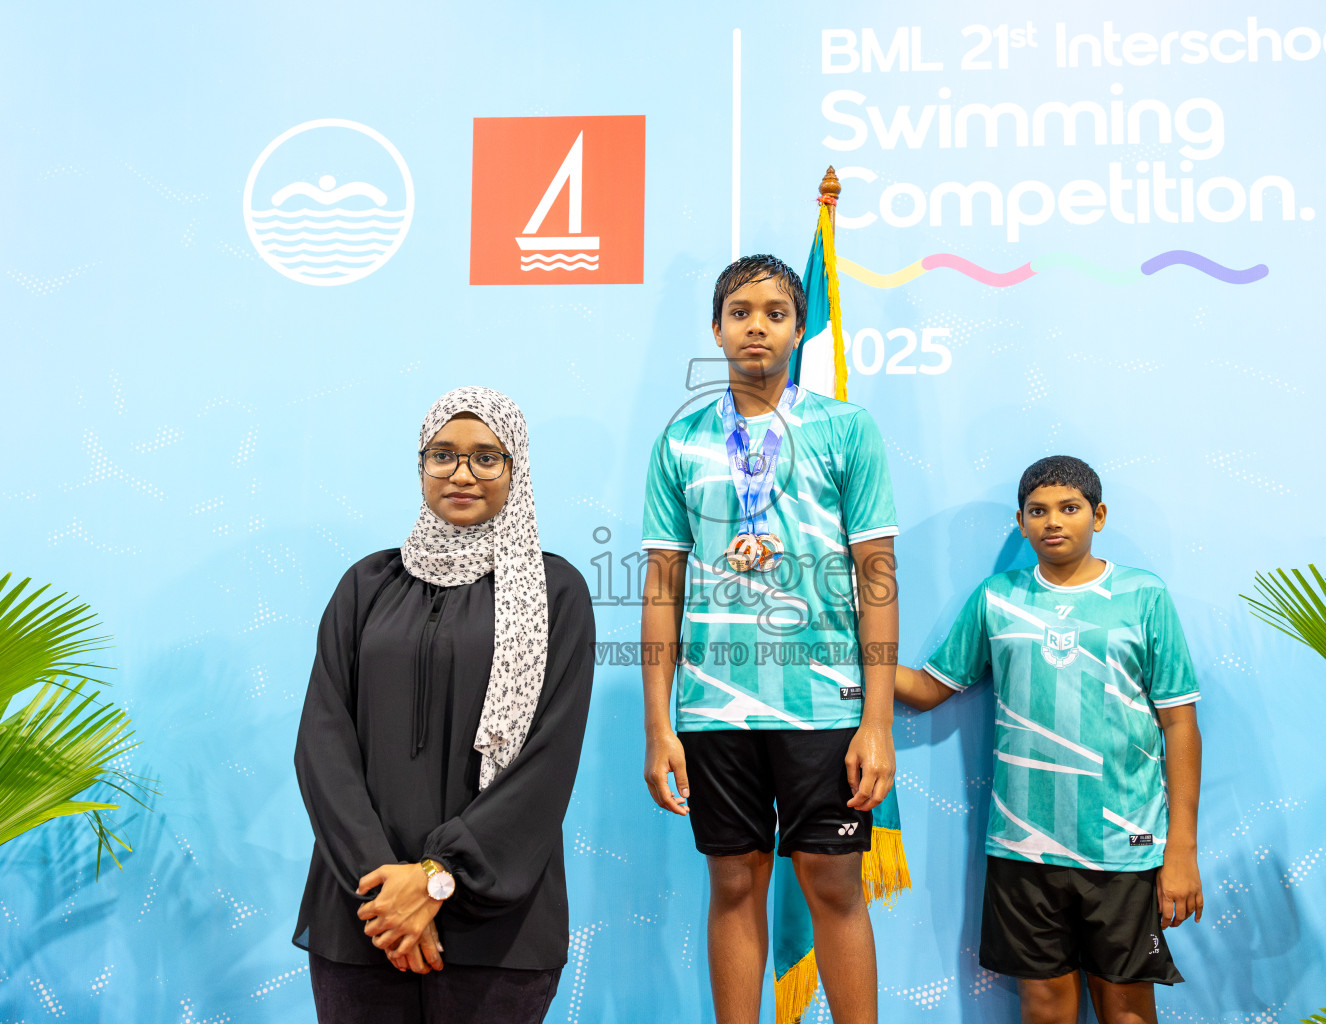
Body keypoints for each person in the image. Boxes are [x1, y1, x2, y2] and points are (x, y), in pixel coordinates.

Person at [640, 254, 899, 1024]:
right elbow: (661, 588)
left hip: (824, 703)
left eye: (776, 313)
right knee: (733, 883)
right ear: (716, 328)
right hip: (714, 707)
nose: (758, 325)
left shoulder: (845, 429)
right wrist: (659, 727)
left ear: (797, 330)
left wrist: (877, 722)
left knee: (834, 883)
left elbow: (877, 577)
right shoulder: (680, 440)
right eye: (741, 312)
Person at [292, 387, 595, 1024]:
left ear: (516, 469)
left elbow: (548, 761)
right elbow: (322, 742)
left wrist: (436, 878)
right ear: (421, 465)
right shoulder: (366, 585)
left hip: (498, 928)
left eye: (486, 457)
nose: (462, 473)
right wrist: (386, 888)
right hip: (366, 916)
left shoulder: (555, 592)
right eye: (443, 455)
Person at [894, 455, 1203, 1024]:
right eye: (1037, 511)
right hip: (1023, 843)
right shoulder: (997, 598)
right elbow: (928, 688)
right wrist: (852, 649)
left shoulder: (1143, 596)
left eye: (1069, 508)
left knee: (1126, 1005)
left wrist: (1180, 849)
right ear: (1021, 522)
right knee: (1043, 1005)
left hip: (1124, 843)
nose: (1053, 521)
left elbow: (1180, 723)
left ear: (1098, 515)